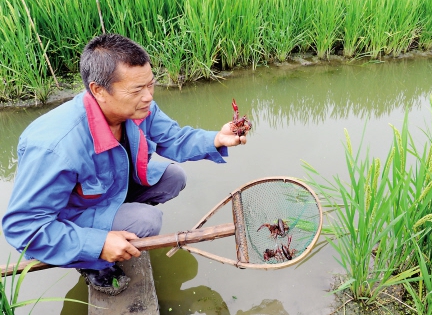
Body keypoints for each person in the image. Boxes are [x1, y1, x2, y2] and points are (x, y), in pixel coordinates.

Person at [1, 33, 248, 295]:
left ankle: (120, 227)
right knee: (147, 220)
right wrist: (96, 243)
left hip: (107, 189)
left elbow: (174, 138)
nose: (148, 97)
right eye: (137, 90)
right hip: (68, 215)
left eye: (151, 85)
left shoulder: (139, 108)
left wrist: (218, 139)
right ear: (98, 90)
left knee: (173, 177)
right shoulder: (55, 147)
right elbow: (23, 228)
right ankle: (93, 263)